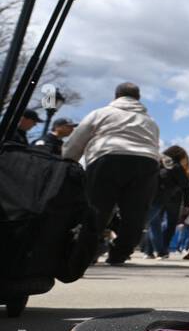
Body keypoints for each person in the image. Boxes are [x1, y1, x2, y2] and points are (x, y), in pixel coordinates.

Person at [61, 82, 161, 266]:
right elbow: (155, 145)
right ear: (138, 99)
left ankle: (87, 251)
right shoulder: (150, 121)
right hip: (146, 162)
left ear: (116, 96)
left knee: (97, 208)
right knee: (135, 212)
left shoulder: (101, 113)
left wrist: (67, 161)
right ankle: (120, 253)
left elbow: (77, 139)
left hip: (108, 156)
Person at [146, 145, 189, 261]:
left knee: (153, 224)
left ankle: (150, 251)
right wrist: (187, 203)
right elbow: (186, 186)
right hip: (171, 198)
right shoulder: (180, 168)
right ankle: (162, 250)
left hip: (154, 196)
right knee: (168, 225)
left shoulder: (157, 162)